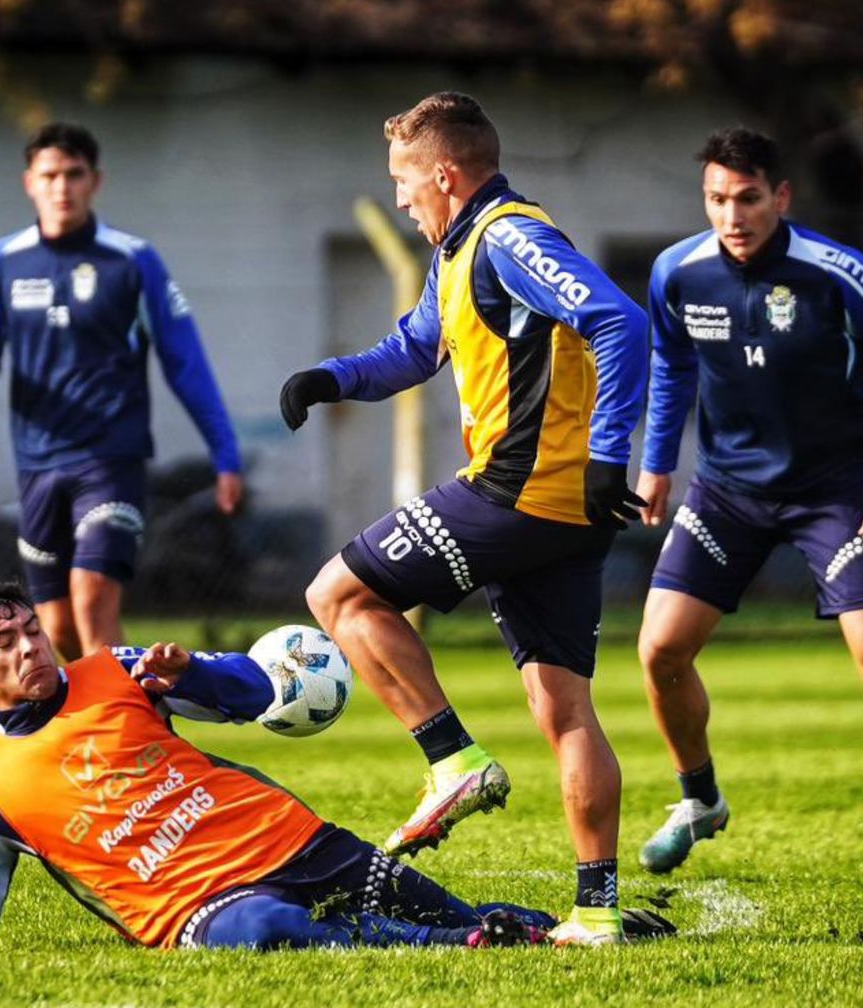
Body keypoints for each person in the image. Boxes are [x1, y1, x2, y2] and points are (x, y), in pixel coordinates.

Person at [0, 581, 679, 952]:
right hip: (203, 906)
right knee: (266, 935)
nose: (28, 644)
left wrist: (197, 672)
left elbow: (259, 693)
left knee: (421, 900)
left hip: (290, 840)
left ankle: (553, 931)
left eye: (29, 626)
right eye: (3, 642)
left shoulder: (117, 670)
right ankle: (460, 948)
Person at [278, 93, 650, 945]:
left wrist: (607, 453)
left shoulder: (509, 237)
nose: (401, 198)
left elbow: (618, 320)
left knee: (337, 594)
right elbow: (412, 349)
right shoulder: (457, 252)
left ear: (444, 175)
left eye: (405, 181)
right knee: (565, 713)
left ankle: (453, 760)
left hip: (519, 492)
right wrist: (328, 379)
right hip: (562, 512)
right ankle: (595, 912)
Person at [633, 126, 863, 884]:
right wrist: (656, 465)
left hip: (837, 494)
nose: (732, 215)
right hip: (726, 492)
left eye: (748, 198)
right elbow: (671, 365)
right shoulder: (675, 273)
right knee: (659, 651)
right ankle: (699, 801)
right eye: (717, 199)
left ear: (780, 197)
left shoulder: (834, 270)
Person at [0, 122, 243, 662]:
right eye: (50, 175)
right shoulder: (4, 260)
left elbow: (186, 363)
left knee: (92, 599)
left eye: (74, 175)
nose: (62, 187)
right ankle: (130, 722)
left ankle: (134, 740)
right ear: (29, 182)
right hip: (37, 462)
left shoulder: (131, 262)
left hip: (111, 457)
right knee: (57, 629)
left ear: (95, 182)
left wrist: (225, 454)